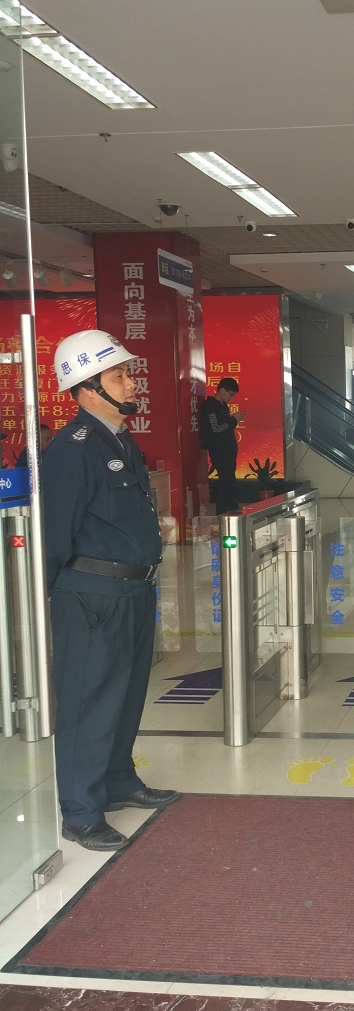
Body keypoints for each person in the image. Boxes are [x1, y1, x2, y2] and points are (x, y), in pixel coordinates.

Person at [42, 329, 179, 853]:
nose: (130, 382)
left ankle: (118, 779)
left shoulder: (119, 439)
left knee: (126, 693)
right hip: (92, 596)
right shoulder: (71, 449)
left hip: (132, 591)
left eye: (126, 373)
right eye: (119, 375)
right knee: (89, 700)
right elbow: (55, 531)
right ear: (87, 388)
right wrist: (59, 594)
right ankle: (80, 811)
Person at [200, 377, 247, 514]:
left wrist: (234, 420)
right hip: (219, 450)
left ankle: (225, 511)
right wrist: (234, 419)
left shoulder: (223, 406)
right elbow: (216, 428)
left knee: (227, 481)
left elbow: (225, 427)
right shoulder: (210, 406)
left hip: (228, 449)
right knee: (227, 480)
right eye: (230, 394)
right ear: (222, 390)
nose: (231, 398)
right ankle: (229, 509)